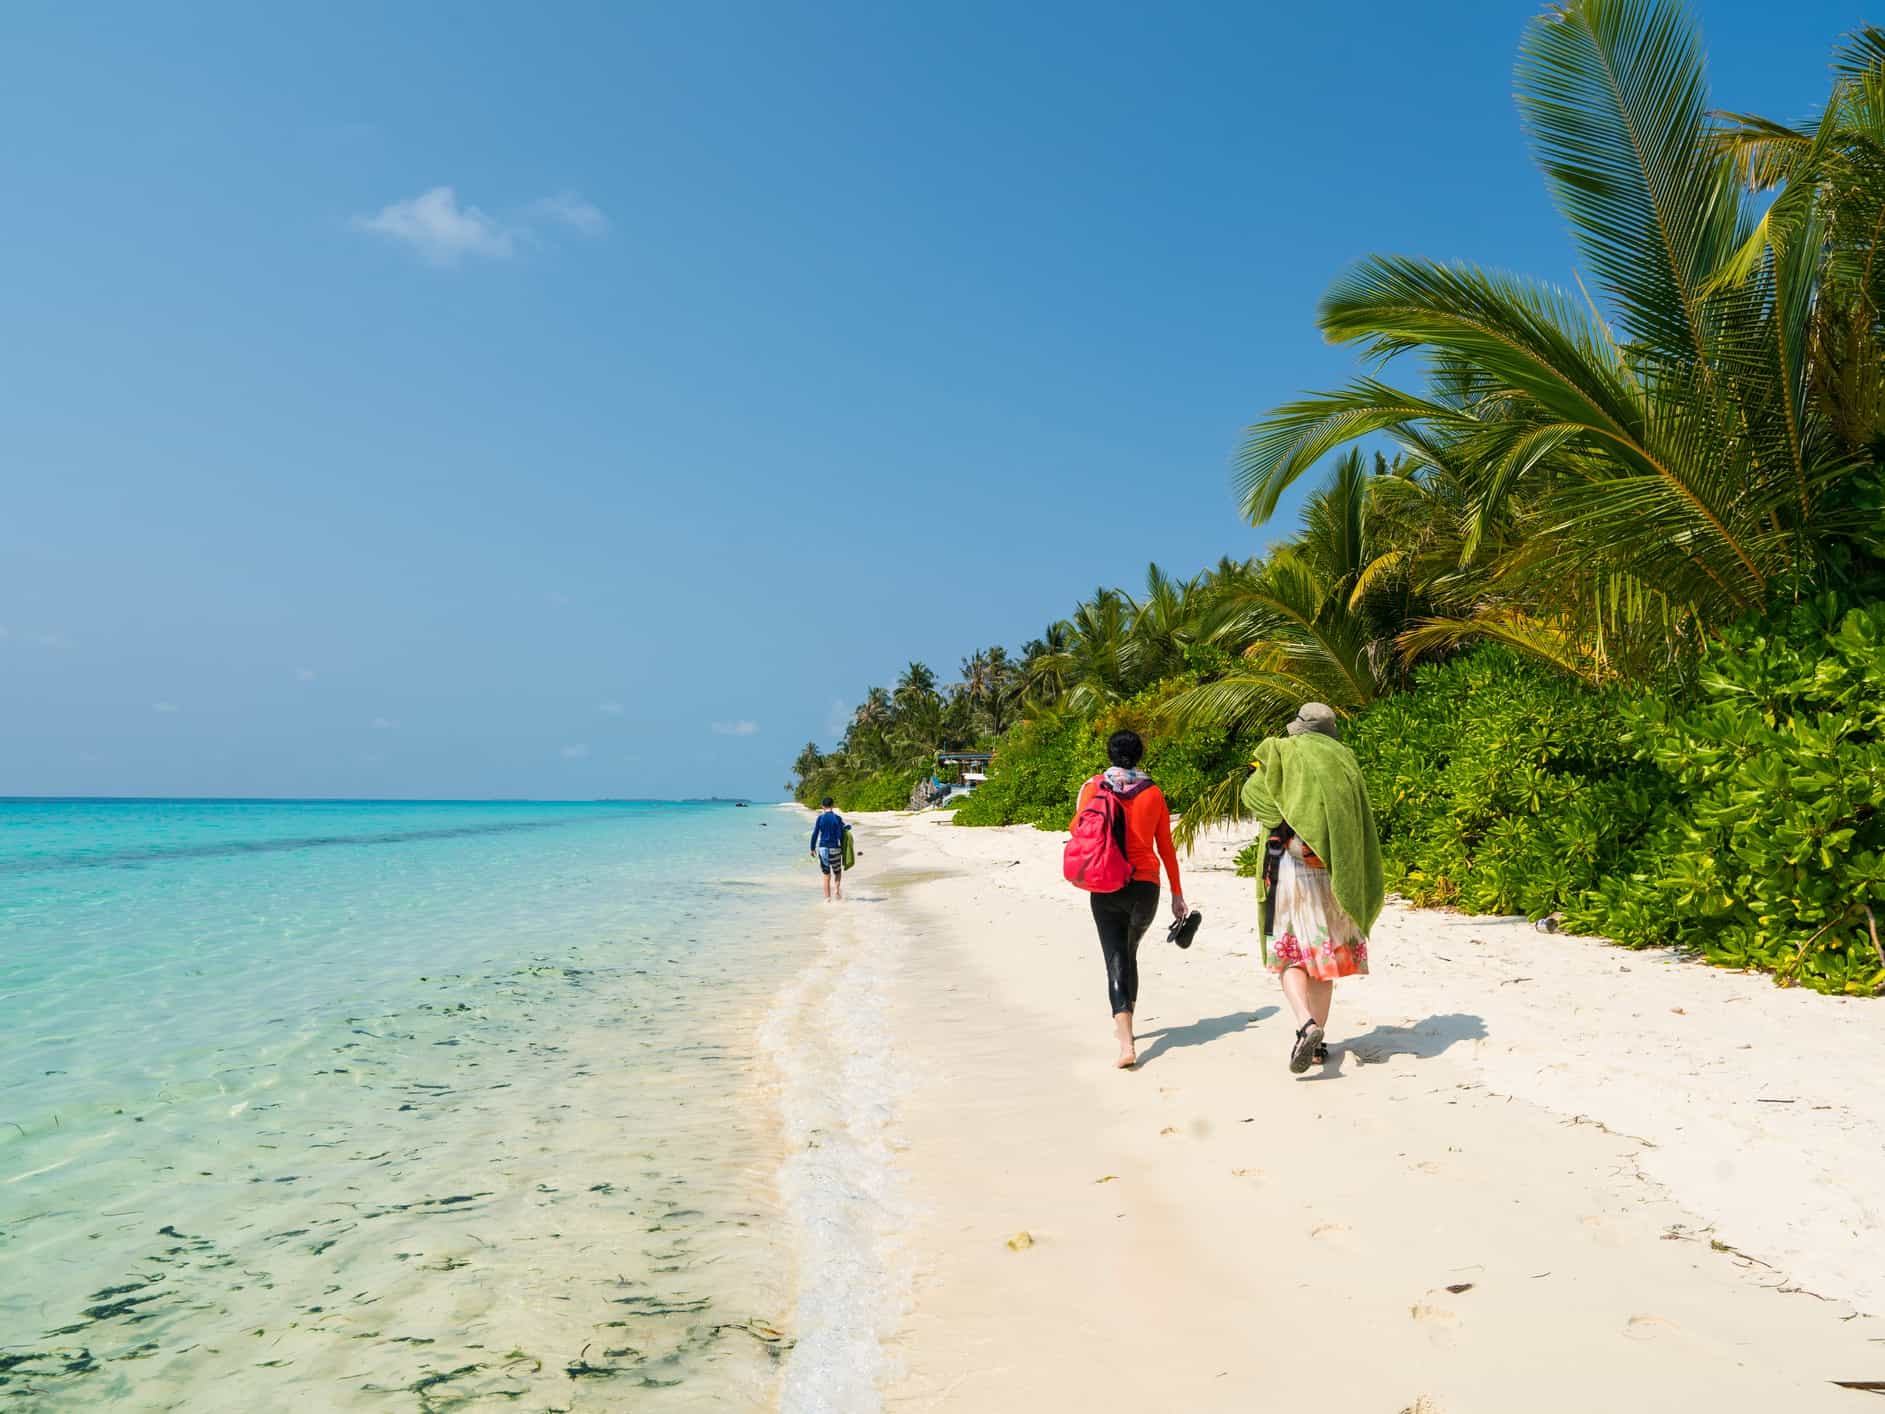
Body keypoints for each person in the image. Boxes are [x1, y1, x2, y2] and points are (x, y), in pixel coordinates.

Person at [1241, 703, 1384, 1073]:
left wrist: (1283, 823)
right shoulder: (1344, 759)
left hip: (1290, 866)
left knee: (1290, 954)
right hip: (1333, 868)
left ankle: (1305, 1024)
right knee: (1325, 958)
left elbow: (1252, 795)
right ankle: (1317, 1043)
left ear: (1299, 728)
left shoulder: (1280, 750)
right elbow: (1354, 818)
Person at [1070, 729, 1187, 1069]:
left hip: (1105, 880)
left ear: (1110, 753)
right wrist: (1177, 893)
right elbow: (1165, 847)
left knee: (1116, 956)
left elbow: (1078, 829)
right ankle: (1126, 1022)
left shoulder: (1093, 787)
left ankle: (1125, 1041)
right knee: (1128, 950)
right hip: (1145, 886)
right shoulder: (1154, 793)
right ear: (1140, 754)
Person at [809, 796, 851, 901]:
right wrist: (843, 848)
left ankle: (827, 898)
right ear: (833, 805)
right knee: (837, 872)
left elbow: (815, 834)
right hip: (835, 848)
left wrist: (812, 848)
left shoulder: (820, 818)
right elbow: (841, 835)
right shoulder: (837, 818)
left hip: (823, 849)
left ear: (822, 806)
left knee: (826, 875)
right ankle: (836, 890)